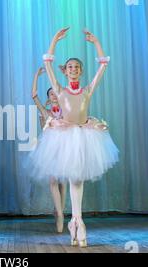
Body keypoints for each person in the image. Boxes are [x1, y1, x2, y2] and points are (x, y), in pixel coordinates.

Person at [28, 27, 119, 247]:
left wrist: (96, 42)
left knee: (77, 179)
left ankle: (76, 221)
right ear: (66, 72)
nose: (73, 69)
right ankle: (77, 221)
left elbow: (103, 65)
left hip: (84, 134)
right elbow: (48, 63)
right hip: (65, 136)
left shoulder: (87, 90)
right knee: (74, 178)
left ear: (81, 71)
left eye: (77, 67)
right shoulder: (59, 90)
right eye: (70, 67)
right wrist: (54, 41)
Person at [31, 67, 66, 233]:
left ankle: (61, 210)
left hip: (66, 147)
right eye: (50, 93)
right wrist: (36, 76)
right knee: (53, 180)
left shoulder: (67, 110)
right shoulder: (45, 112)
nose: (53, 95)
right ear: (48, 97)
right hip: (50, 148)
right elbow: (34, 96)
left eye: (55, 93)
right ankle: (59, 214)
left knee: (63, 181)